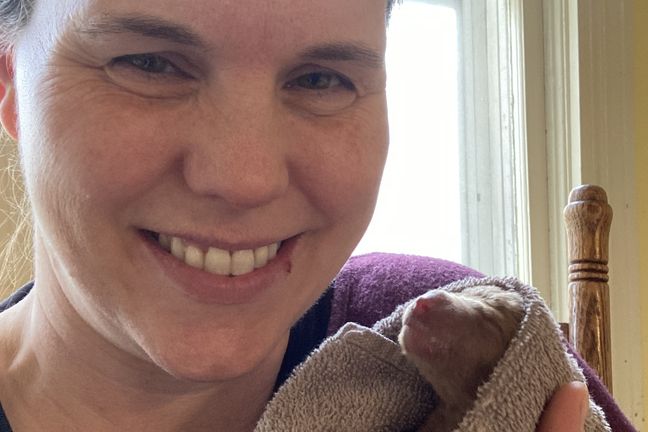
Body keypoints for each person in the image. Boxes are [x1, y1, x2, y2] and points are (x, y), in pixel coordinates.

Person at [0, 0, 628, 430]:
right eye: (149, 64)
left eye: (321, 80)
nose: (245, 180)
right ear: (10, 90)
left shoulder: (473, 343)